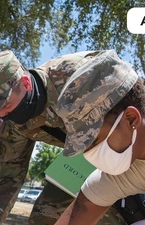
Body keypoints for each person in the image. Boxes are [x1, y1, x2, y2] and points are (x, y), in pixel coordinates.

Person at [0, 50, 128, 225]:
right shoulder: (14, 125)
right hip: (80, 157)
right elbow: (9, 175)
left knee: (117, 215)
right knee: (45, 214)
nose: (2, 114)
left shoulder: (76, 75)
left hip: (125, 144)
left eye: (5, 104)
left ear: (25, 83)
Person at [53, 50, 145, 225]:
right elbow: (76, 217)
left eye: (94, 141)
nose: (91, 156)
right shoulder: (120, 176)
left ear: (131, 119)